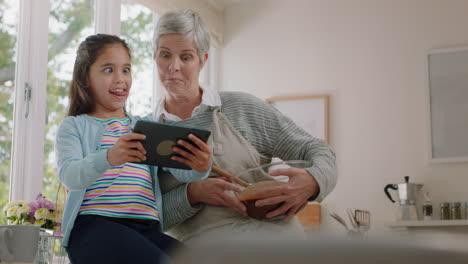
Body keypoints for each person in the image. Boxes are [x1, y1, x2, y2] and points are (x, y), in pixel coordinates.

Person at [153, 8, 337, 243]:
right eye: (165, 55)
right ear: (154, 57)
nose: (174, 66)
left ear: (202, 60)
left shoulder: (242, 108)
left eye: (186, 57)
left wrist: (313, 181)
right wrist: (192, 194)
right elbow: (144, 219)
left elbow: (319, 151)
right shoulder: (144, 133)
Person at [55, 34, 212, 264]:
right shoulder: (75, 125)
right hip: (94, 227)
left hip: (145, 229)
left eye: (126, 69)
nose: (120, 79)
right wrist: (109, 157)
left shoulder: (144, 126)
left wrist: (200, 168)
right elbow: (70, 176)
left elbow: (180, 169)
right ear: (85, 77)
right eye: (108, 70)